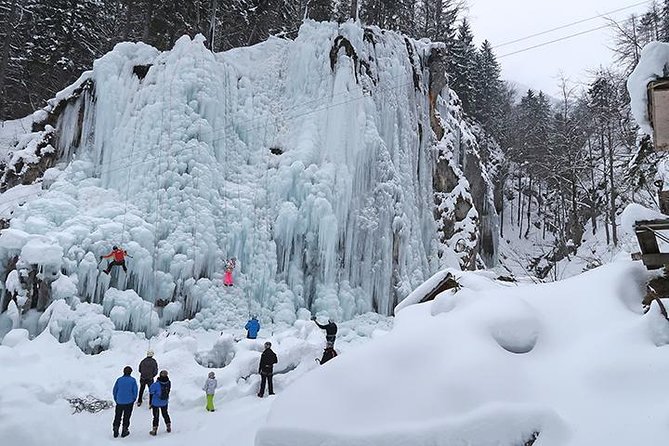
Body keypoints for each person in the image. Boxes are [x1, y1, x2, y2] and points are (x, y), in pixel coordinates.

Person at [112, 366, 138, 438]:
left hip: (119, 401)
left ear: (123, 372)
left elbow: (115, 390)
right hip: (129, 402)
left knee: (117, 416)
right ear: (131, 372)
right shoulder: (133, 380)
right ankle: (124, 430)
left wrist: (116, 399)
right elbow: (135, 391)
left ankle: (116, 429)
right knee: (127, 416)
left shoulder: (119, 380)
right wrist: (134, 399)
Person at [149, 370, 172, 436]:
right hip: (164, 402)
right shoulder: (169, 383)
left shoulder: (156, 384)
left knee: (156, 416)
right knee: (165, 414)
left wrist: (150, 402)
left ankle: (154, 430)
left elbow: (151, 391)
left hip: (156, 403)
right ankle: (168, 426)